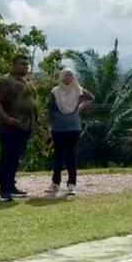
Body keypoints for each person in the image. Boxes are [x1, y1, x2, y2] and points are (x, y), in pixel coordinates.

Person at [0, 54, 40, 201]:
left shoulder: (28, 80)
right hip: (10, 125)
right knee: (7, 156)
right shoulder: (5, 81)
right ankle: (4, 188)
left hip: (26, 125)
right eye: (21, 64)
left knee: (16, 157)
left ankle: (11, 185)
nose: (25, 66)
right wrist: (6, 118)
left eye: (26, 64)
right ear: (13, 65)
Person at [45, 66, 93, 196]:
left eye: (70, 75)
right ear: (61, 77)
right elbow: (50, 111)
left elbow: (90, 97)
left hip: (73, 127)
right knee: (58, 156)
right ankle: (55, 183)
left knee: (71, 155)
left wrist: (80, 107)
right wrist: (49, 129)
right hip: (58, 128)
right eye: (66, 75)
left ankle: (72, 184)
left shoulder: (78, 90)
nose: (68, 78)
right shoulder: (55, 92)